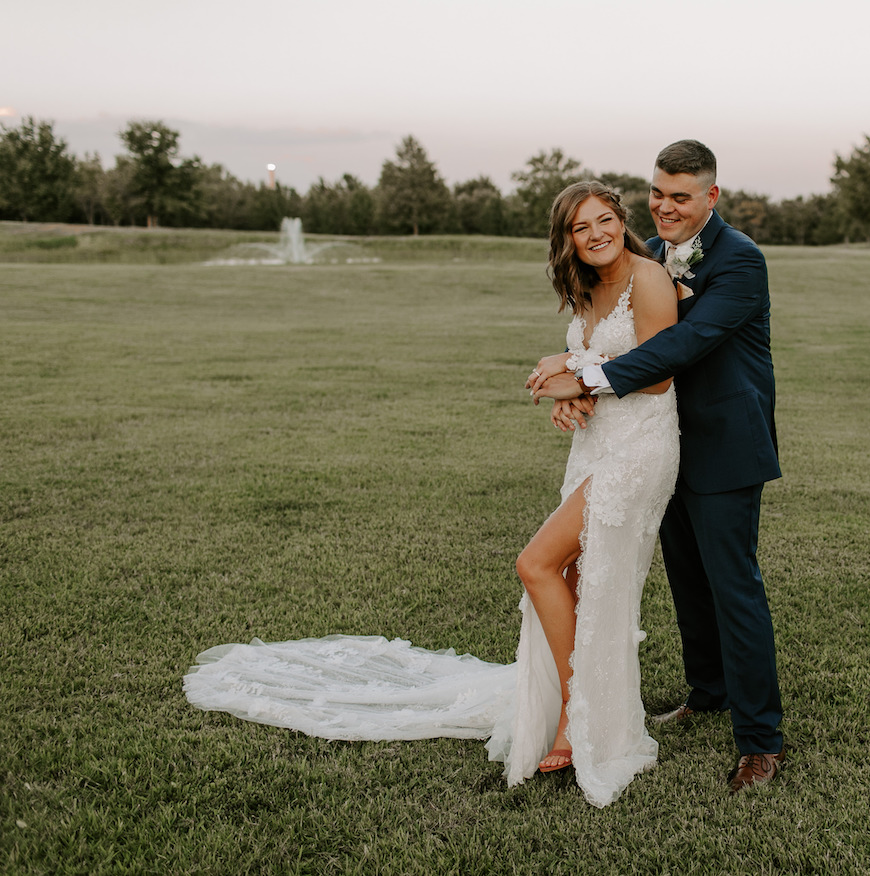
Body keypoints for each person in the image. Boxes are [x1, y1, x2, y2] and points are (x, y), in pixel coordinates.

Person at [184, 181, 681, 809]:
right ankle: (576, 705)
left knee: (538, 564)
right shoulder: (586, 285)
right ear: (567, 240)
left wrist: (575, 381)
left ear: (621, 220)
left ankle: (576, 716)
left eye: (604, 220)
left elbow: (659, 374)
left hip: (639, 448)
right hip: (597, 442)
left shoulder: (650, 278)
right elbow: (608, 355)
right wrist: (571, 387)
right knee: (578, 576)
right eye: (581, 228)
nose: (596, 234)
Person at [530, 140, 785, 793]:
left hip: (724, 442)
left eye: (681, 197)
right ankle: (707, 692)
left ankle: (760, 742)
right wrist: (575, 378)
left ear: (711, 197)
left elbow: (684, 343)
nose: (665, 207)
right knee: (687, 579)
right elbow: (618, 323)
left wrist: (586, 376)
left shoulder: (740, 262)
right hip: (657, 440)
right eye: (658, 193)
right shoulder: (646, 249)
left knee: (734, 586)